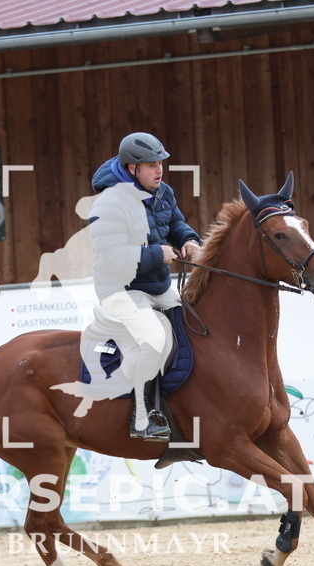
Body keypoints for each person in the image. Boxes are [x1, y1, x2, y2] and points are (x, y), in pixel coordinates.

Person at [87, 132, 202, 441]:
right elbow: (111, 258)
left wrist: (189, 240)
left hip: (157, 284)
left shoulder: (163, 191)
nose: (159, 170)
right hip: (120, 289)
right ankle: (143, 418)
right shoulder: (108, 204)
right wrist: (156, 254)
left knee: (196, 324)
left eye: (160, 163)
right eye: (151, 165)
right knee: (153, 337)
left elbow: (175, 224)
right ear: (131, 169)